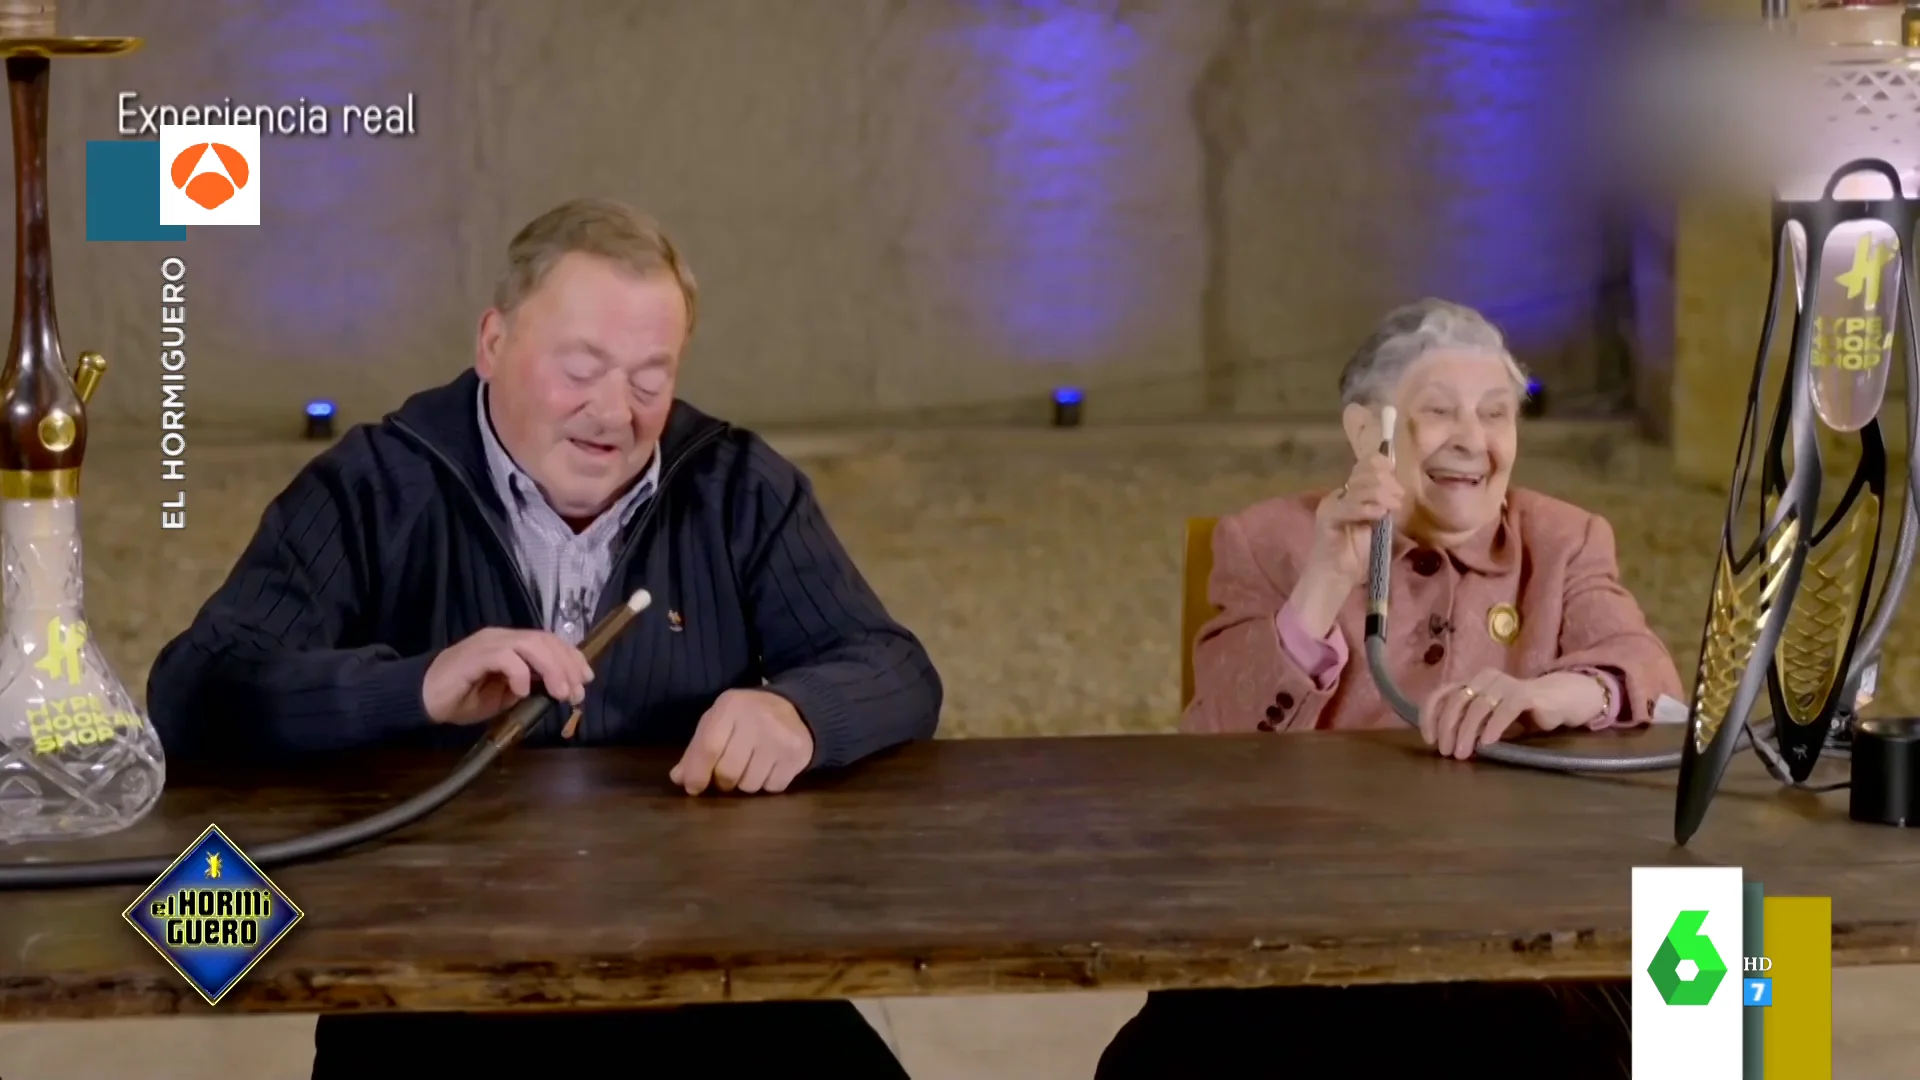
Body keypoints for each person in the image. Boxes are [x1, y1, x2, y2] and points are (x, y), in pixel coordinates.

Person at [147, 198, 941, 1079]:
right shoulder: (372, 487)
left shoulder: (736, 485)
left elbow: (896, 668)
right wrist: (414, 686)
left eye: (651, 376)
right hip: (431, 988)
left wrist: (800, 711)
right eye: (582, 368)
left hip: (705, 970)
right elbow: (195, 691)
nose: (616, 412)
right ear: (493, 344)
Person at [1098, 298, 1677, 1078]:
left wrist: (1556, 693)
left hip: (1525, 915)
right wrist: (1323, 583)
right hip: (1320, 912)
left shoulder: (1565, 539)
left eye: (1497, 414)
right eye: (1439, 412)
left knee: (1736, 981)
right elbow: (1213, 746)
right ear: (1366, 432)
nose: (1474, 440)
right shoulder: (1266, 540)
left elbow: (1644, 669)